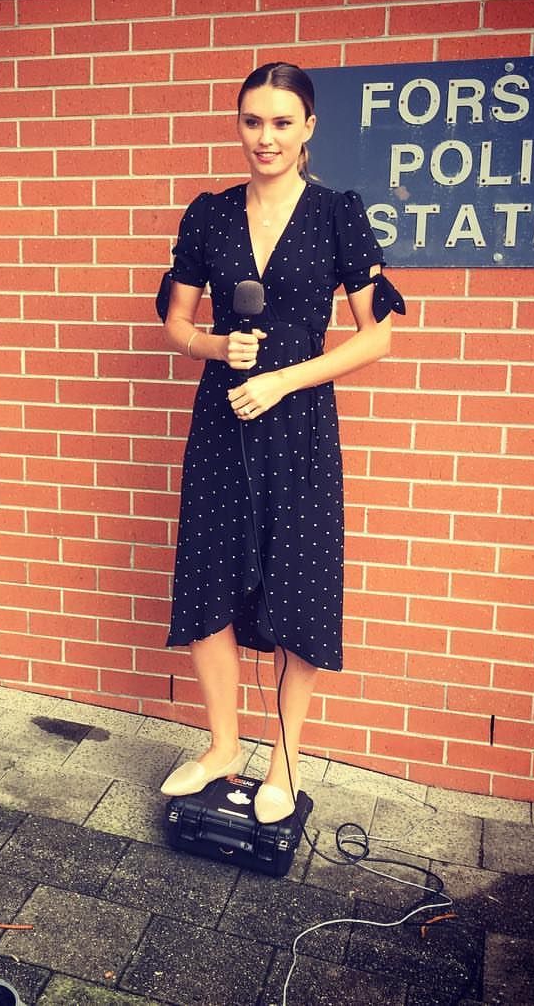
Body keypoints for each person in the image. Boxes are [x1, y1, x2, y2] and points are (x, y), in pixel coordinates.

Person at [156, 62, 405, 823]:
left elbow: (377, 338)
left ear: (308, 128)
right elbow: (176, 323)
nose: (265, 137)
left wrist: (284, 379)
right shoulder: (209, 215)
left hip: (299, 429)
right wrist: (213, 346)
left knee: (299, 585)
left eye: (281, 122)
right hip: (222, 420)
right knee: (209, 581)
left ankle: (285, 764)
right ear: (239, 125)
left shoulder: (336, 214)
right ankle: (223, 747)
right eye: (252, 121)